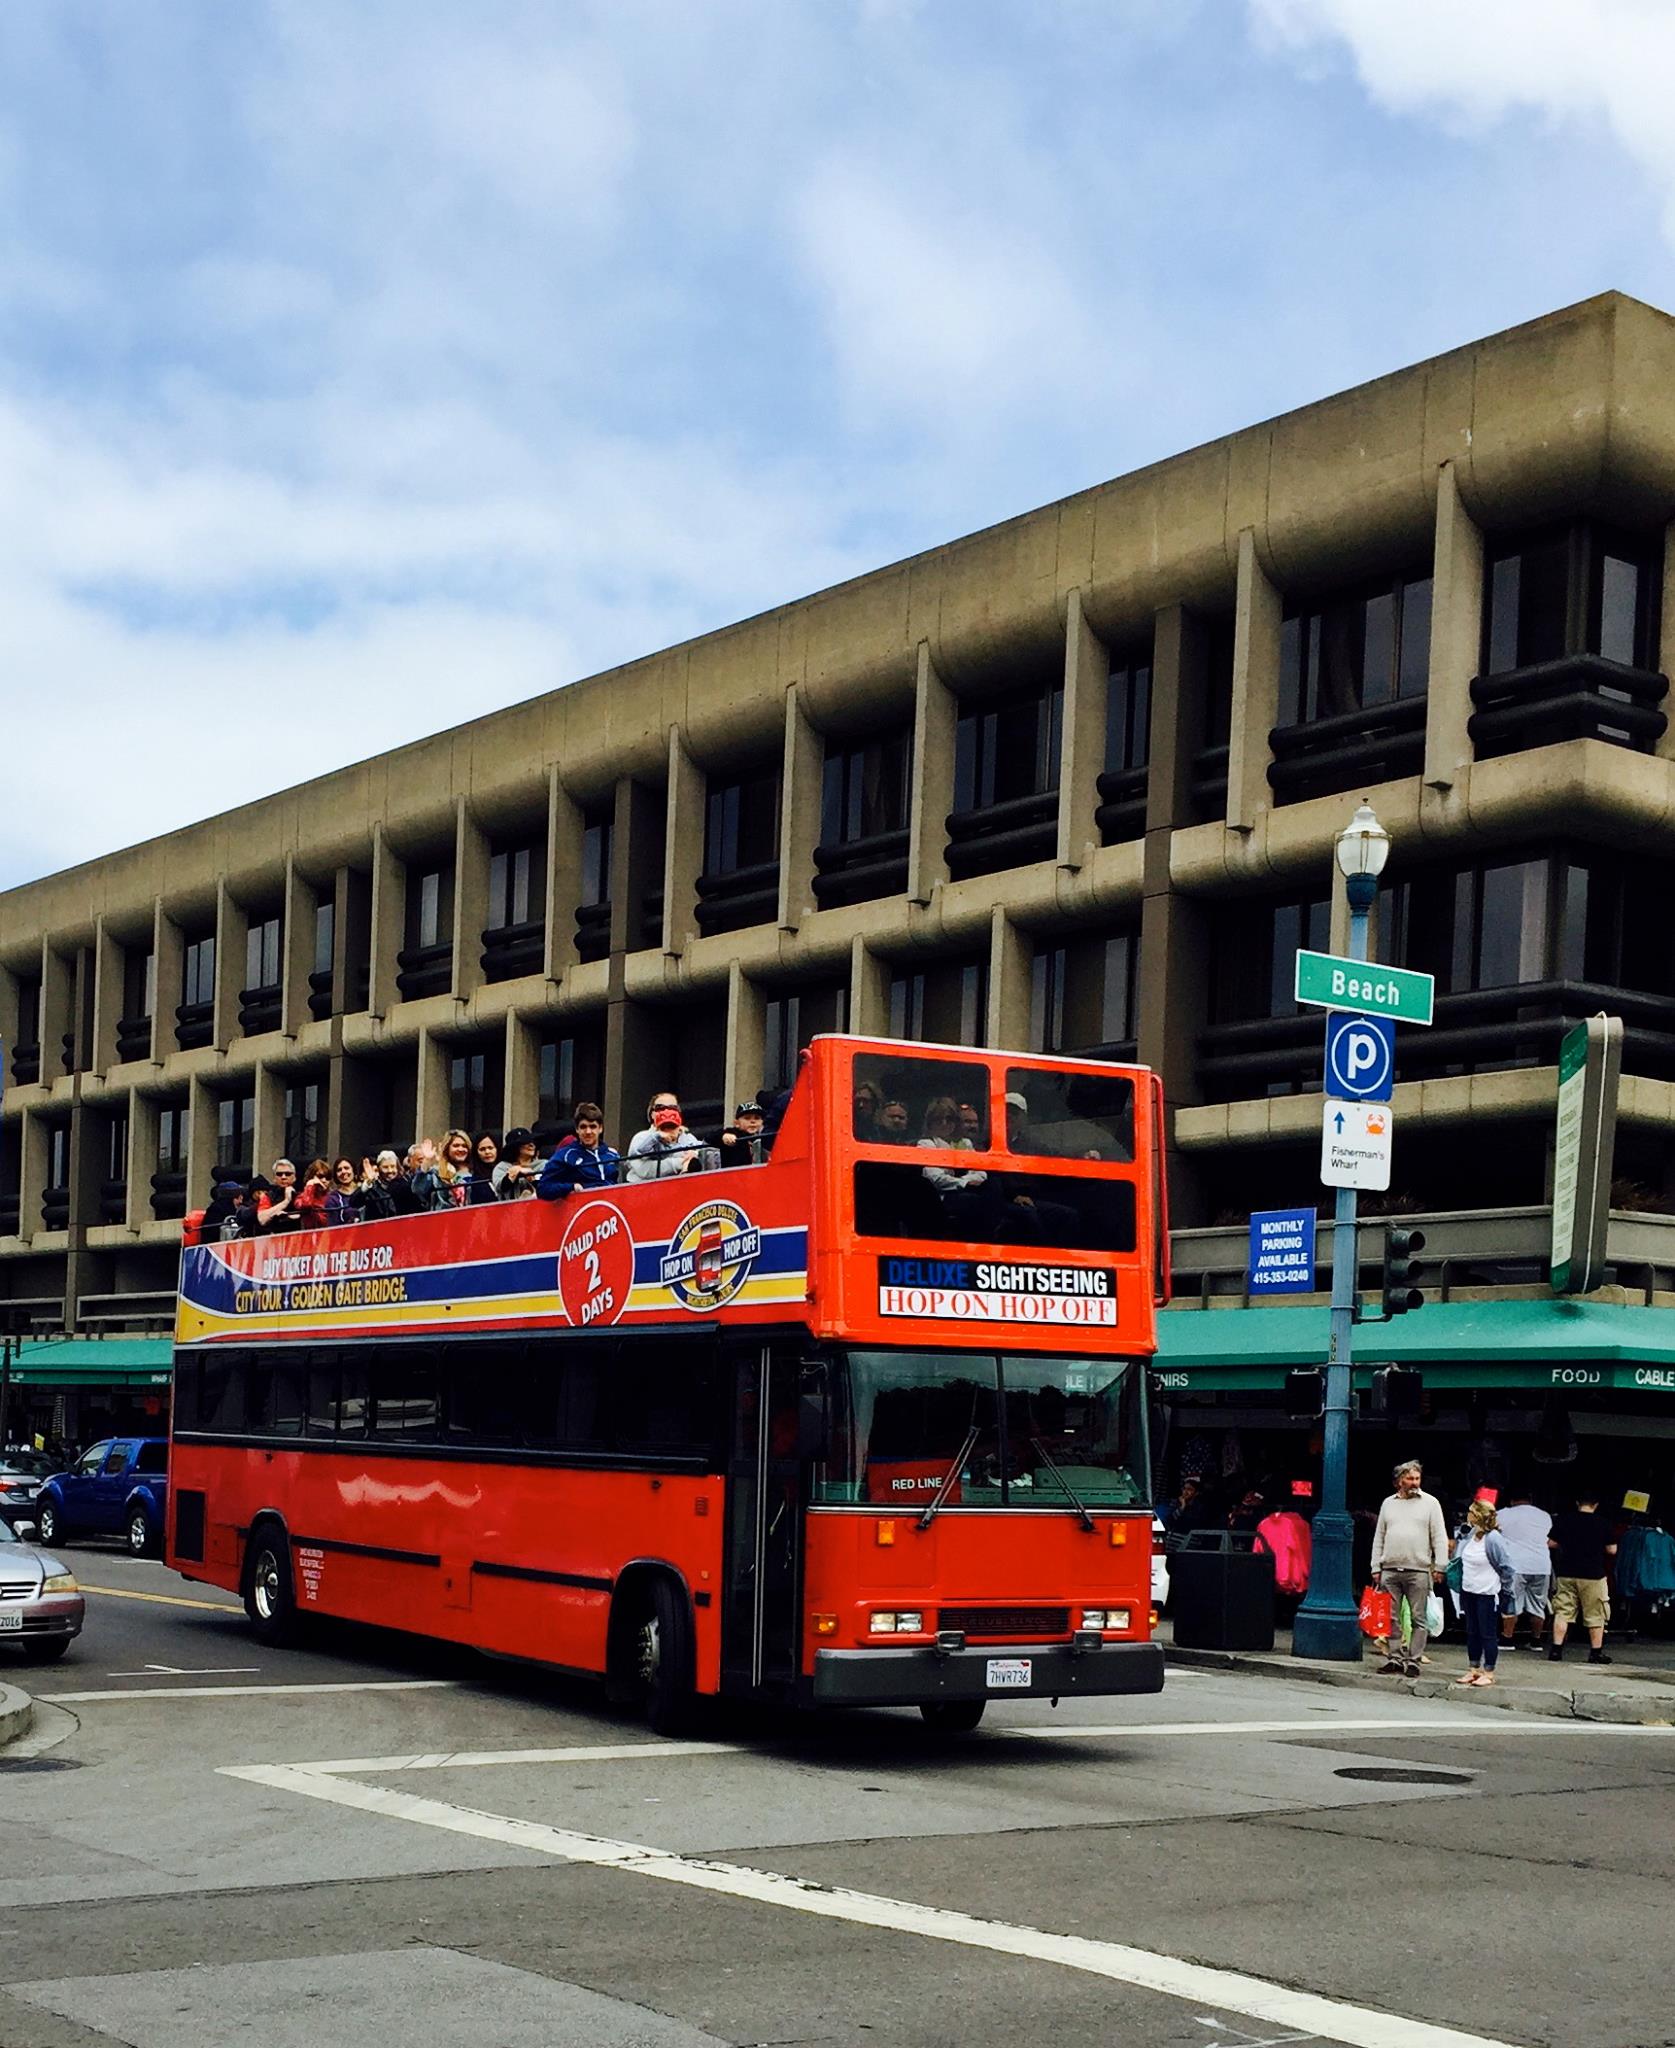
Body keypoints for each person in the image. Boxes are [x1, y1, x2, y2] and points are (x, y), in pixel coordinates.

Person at [1369, 1458, 1450, 1677]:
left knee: (1418, 1618)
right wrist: (1376, 1566)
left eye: (1417, 1478)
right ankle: (1394, 1657)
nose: (1414, 1482)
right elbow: (1380, 1537)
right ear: (1399, 1481)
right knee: (1391, 1618)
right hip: (1390, 1568)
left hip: (1419, 1569)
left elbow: (1439, 1536)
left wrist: (1440, 1566)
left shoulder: (1431, 1503)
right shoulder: (1388, 1503)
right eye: (1409, 1478)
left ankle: (1413, 1660)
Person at [1548, 1490, 1617, 1665]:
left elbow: (1551, 1543)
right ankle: (1595, 1652)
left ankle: (1556, 1650)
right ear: (1596, 1505)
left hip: (1567, 1571)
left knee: (1563, 1611)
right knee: (1596, 1612)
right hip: (1593, 1574)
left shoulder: (1564, 1520)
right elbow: (1612, 1550)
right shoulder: (1604, 1523)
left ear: (1577, 1503)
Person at [1454, 1498, 1515, 1687]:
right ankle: (1473, 1669)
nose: (1468, 1516)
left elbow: (1506, 1566)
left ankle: (1489, 1671)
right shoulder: (1471, 1535)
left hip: (1488, 1592)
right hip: (1469, 1589)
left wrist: (1506, 1590)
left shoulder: (1494, 1539)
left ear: (1478, 1515)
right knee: (1472, 1631)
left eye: (1471, 1513)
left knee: (1487, 1632)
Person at [1496, 1489, 1554, 1651]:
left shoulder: (1502, 1514)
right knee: (1538, 1603)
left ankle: (1507, 1639)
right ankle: (1535, 1640)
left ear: (1511, 1501)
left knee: (1511, 1602)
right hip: (1541, 1565)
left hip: (1515, 1564)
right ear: (1531, 1499)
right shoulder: (1544, 1516)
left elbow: (1492, 1534)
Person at [538, 1104, 621, 1198]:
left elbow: (621, 1186)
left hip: (611, 1208)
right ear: (577, 1129)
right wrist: (571, 1187)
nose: (588, 1132)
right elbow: (543, 1188)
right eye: (583, 1127)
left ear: (600, 1128)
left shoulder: (612, 1155)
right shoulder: (565, 1155)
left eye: (593, 1126)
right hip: (581, 1209)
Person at [624, 1093, 705, 1182]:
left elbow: (706, 1157)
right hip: (644, 1191)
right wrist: (683, 1163)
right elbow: (644, 1170)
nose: (667, 1112)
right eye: (660, 1108)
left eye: (672, 1108)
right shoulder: (641, 1137)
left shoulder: (689, 1138)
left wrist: (696, 1155)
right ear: (652, 1114)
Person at [917, 1096, 986, 1194]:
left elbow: (981, 1173)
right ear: (930, 1122)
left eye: (949, 1119)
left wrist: (967, 1181)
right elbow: (935, 1178)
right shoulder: (926, 1144)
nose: (944, 1123)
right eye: (938, 1119)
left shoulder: (965, 1143)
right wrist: (965, 1183)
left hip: (969, 1193)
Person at [359, 1149, 419, 1221]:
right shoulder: (372, 1187)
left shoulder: (405, 1184)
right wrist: (368, 1182)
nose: (390, 1171)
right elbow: (354, 1203)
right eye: (385, 1167)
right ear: (379, 1169)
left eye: (393, 1166)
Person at [713, 1102, 767, 1169]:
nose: (753, 1121)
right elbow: (711, 1137)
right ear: (736, 1123)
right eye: (747, 1118)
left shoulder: (765, 1136)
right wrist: (724, 1136)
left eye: (757, 1118)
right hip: (735, 1175)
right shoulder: (733, 1133)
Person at [493, 1128, 543, 1199]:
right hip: (510, 1208)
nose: (532, 1145)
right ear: (514, 1147)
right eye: (526, 1142)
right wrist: (513, 1174)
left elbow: (548, 1188)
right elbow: (499, 1188)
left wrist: (532, 1178)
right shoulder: (502, 1167)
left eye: (532, 1141)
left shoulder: (544, 1165)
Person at [256, 1160, 303, 1233]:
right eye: (279, 1174)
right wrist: (285, 1202)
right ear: (274, 1178)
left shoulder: (302, 1194)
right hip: (275, 1238)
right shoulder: (268, 1196)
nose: (283, 1177)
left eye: (288, 1174)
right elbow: (262, 1219)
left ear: (294, 1177)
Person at [294, 1158, 332, 1231]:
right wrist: (310, 1186)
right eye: (320, 1176)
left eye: (328, 1177)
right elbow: (306, 1204)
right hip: (309, 1236)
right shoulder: (301, 1197)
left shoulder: (333, 1197)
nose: (324, 1180)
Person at [464, 1132, 501, 1205]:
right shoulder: (474, 1178)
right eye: (482, 1149)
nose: (487, 1152)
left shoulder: (506, 1170)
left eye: (490, 1148)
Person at [324, 1157, 362, 1226]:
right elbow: (333, 1227)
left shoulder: (364, 1190)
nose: (343, 1172)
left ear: (353, 1170)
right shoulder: (332, 1199)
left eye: (346, 1168)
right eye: (339, 1170)